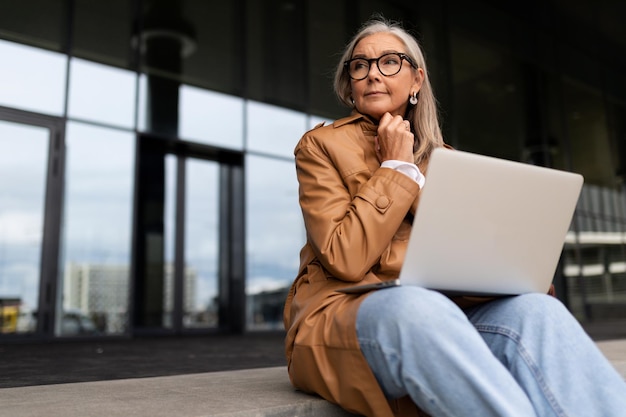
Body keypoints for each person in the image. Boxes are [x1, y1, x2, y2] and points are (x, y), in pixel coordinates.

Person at [282, 16, 626, 417]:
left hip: (448, 314)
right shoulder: (320, 145)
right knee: (417, 306)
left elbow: (468, 262)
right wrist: (396, 170)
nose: (373, 73)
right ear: (350, 85)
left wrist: (516, 270)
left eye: (389, 61)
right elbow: (345, 257)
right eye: (360, 65)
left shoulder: (448, 160)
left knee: (540, 311)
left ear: (416, 80)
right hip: (344, 314)